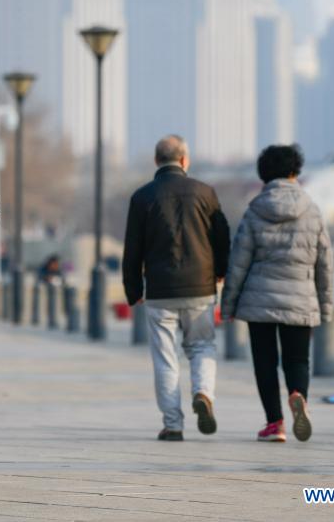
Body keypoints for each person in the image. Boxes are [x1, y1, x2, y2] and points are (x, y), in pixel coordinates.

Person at [221, 144, 333, 443]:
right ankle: (298, 395)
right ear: (296, 172)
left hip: (260, 299)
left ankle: (275, 424)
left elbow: (238, 261)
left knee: (264, 362)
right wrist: (326, 306)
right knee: (298, 359)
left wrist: (228, 304)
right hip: (300, 296)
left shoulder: (255, 209)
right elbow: (324, 262)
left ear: (264, 175)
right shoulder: (312, 209)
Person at [122, 135, 230, 442]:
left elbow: (133, 249)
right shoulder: (205, 192)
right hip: (200, 286)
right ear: (184, 160)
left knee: (165, 356)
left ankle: (173, 424)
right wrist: (220, 272)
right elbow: (221, 237)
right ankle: (203, 392)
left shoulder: (142, 197)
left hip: (159, 289)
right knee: (202, 346)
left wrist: (133, 289)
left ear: (157, 161)